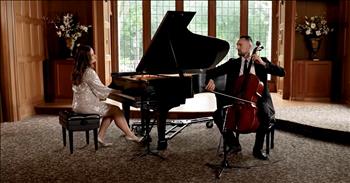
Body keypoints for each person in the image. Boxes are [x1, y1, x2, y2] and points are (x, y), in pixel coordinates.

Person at [205, 35, 285, 160]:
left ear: (249, 46)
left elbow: (282, 72)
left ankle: (257, 149)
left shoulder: (261, 61)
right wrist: (211, 79)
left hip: (258, 98)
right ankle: (234, 144)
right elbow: (212, 71)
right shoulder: (233, 63)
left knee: (264, 115)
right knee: (218, 115)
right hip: (236, 97)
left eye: (240, 45)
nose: (237, 47)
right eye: (237, 45)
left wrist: (264, 64)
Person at [71, 45, 142, 146]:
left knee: (111, 110)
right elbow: (101, 89)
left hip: (77, 106)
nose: (95, 56)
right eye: (92, 54)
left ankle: (100, 136)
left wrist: (113, 91)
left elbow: (95, 90)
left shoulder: (77, 71)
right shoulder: (89, 72)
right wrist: (118, 91)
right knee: (116, 110)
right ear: (86, 58)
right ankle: (130, 135)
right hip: (86, 107)